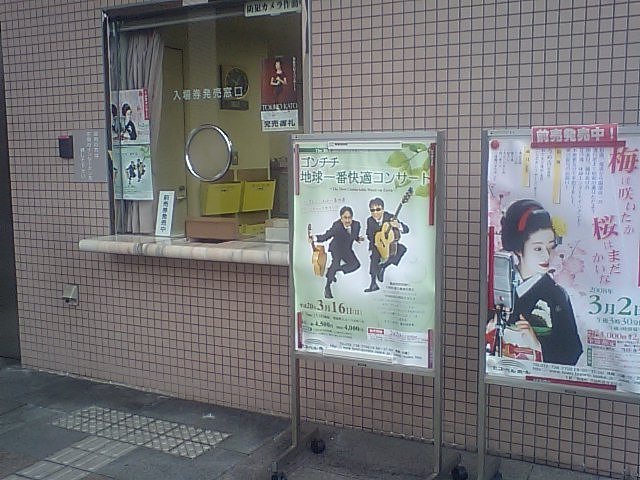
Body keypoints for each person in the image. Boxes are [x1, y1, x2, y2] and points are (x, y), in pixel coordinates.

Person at [489, 198, 583, 365]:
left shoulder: (556, 295)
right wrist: (490, 327)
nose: (547, 256)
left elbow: (572, 352)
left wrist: (537, 344)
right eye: (538, 248)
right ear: (518, 248)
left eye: (551, 247)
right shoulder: (497, 284)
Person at [310, 206, 363, 299]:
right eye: (345, 218)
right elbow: (326, 236)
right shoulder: (337, 226)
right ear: (341, 218)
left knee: (356, 265)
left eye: (349, 217)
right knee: (335, 264)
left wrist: (357, 238)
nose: (347, 220)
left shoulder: (357, 225)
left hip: (347, 249)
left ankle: (332, 270)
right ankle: (327, 287)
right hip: (336, 248)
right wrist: (314, 238)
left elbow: (353, 235)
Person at [364, 197, 409, 292]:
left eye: (378, 209)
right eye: (372, 210)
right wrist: (377, 241)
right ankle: (373, 283)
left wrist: (398, 226)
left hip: (389, 244)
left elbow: (406, 229)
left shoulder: (390, 217)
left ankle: (383, 266)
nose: (375, 212)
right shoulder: (370, 220)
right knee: (374, 256)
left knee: (402, 249)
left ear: (383, 209)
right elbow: (368, 233)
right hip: (377, 243)